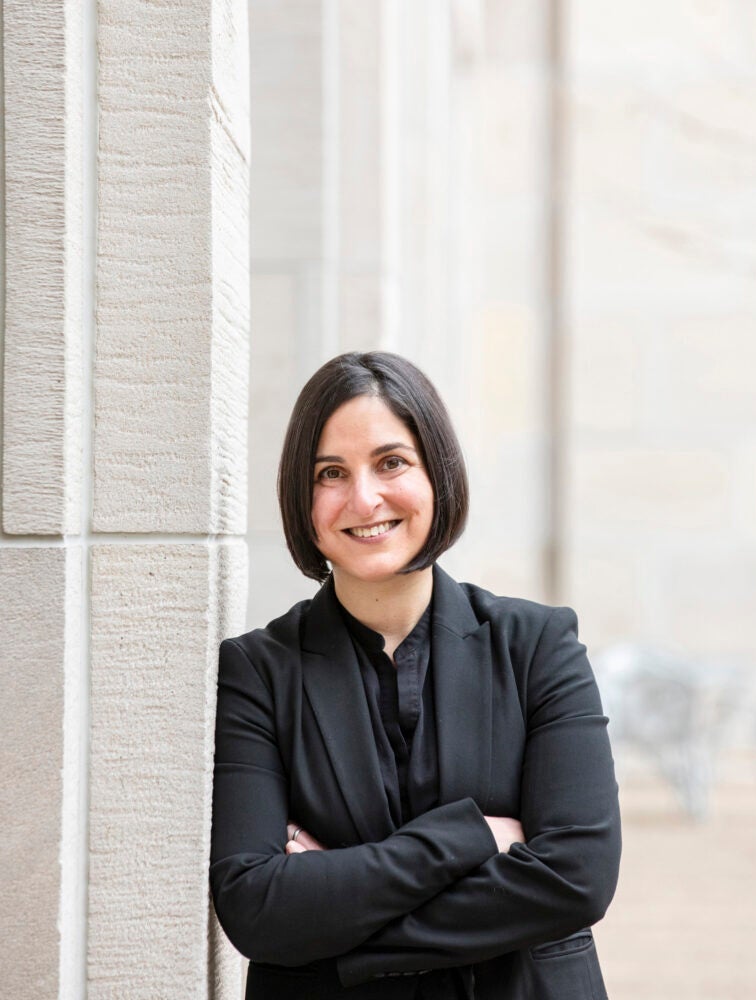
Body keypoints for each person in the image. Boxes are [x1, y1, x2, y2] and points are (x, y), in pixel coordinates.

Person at [210, 352, 621, 999]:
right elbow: (255, 907)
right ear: (301, 495)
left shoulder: (538, 646)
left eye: (391, 462)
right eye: (331, 473)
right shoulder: (259, 671)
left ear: (437, 473)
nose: (364, 498)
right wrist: (471, 836)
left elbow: (577, 878)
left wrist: (340, 920)